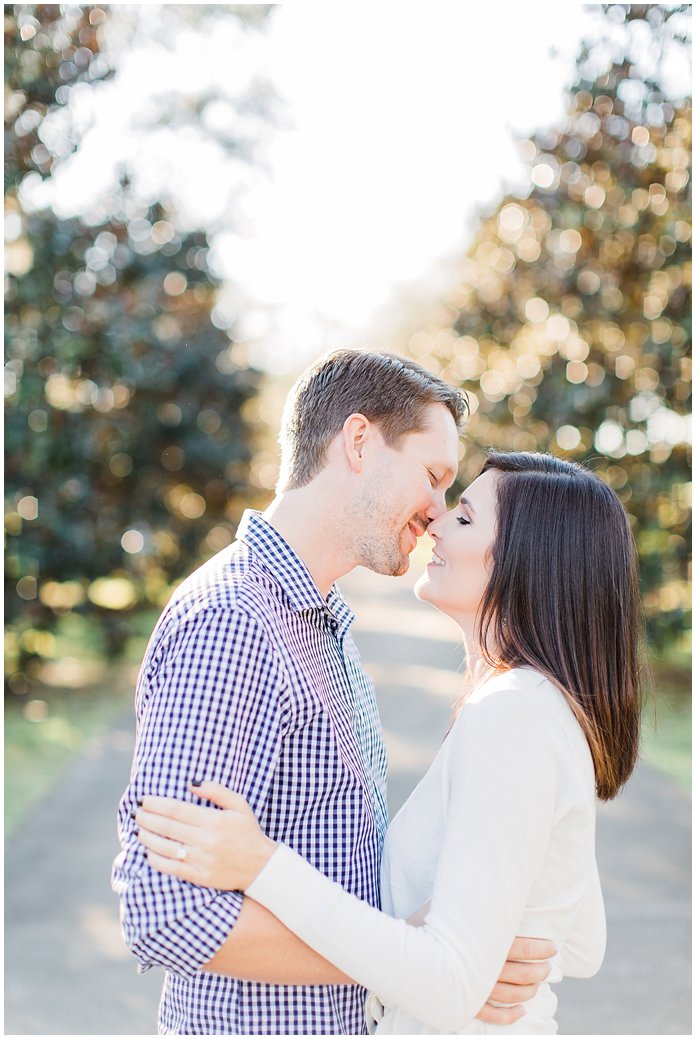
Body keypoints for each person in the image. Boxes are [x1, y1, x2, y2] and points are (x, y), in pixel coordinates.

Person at [112, 351, 557, 1036]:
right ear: (358, 441)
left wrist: (451, 952)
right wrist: (409, 959)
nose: (437, 513)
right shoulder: (233, 620)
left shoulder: (323, 623)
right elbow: (168, 914)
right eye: (433, 477)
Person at [134, 450, 645, 1035]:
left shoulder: (512, 715)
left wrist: (263, 865)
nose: (436, 521)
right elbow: (579, 941)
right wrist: (457, 940)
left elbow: (455, 979)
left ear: (527, 561)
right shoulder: (538, 706)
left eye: (466, 517)